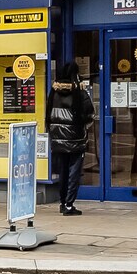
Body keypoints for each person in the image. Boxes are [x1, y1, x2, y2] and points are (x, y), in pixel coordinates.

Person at [48, 66, 95, 216]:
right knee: (74, 172)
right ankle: (69, 204)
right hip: (76, 139)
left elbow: (49, 116)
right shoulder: (79, 93)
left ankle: (63, 203)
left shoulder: (53, 93)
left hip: (57, 140)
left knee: (62, 171)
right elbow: (89, 115)